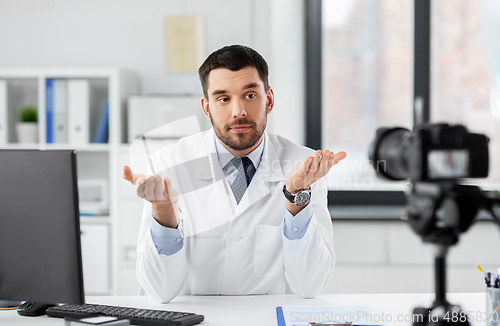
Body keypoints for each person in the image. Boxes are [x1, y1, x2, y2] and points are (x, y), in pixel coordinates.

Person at [122, 45, 347, 303]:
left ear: (269, 100)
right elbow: (159, 291)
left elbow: (310, 285)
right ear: (206, 108)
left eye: (250, 95)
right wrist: (164, 213)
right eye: (223, 99)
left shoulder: (304, 168)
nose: (238, 111)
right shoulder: (168, 166)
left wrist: (297, 198)